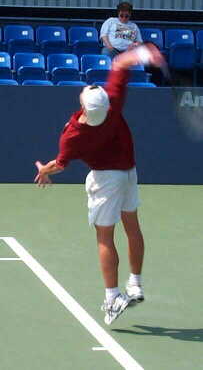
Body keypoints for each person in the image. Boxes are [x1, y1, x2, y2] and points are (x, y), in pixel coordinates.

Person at [35, 43, 165, 325]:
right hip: (129, 173)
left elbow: (60, 164)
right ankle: (136, 283)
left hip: (105, 180)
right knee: (133, 228)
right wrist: (145, 53)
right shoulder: (114, 102)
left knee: (105, 238)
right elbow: (121, 63)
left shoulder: (73, 136)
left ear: (83, 106)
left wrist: (44, 170)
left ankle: (112, 296)